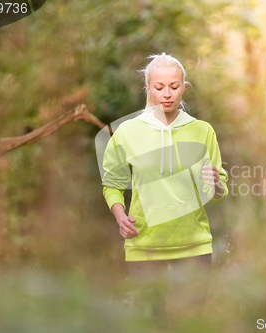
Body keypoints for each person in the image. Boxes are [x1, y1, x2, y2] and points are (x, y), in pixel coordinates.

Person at [101, 52, 229, 320]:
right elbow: (112, 183)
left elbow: (218, 192)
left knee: (190, 323)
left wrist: (216, 184)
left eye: (174, 86)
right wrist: (120, 215)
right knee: (149, 322)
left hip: (193, 244)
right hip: (144, 244)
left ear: (184, 86)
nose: (167, 94)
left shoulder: (202, 131)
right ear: (148, 88)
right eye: (159, 87)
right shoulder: (127, 132)